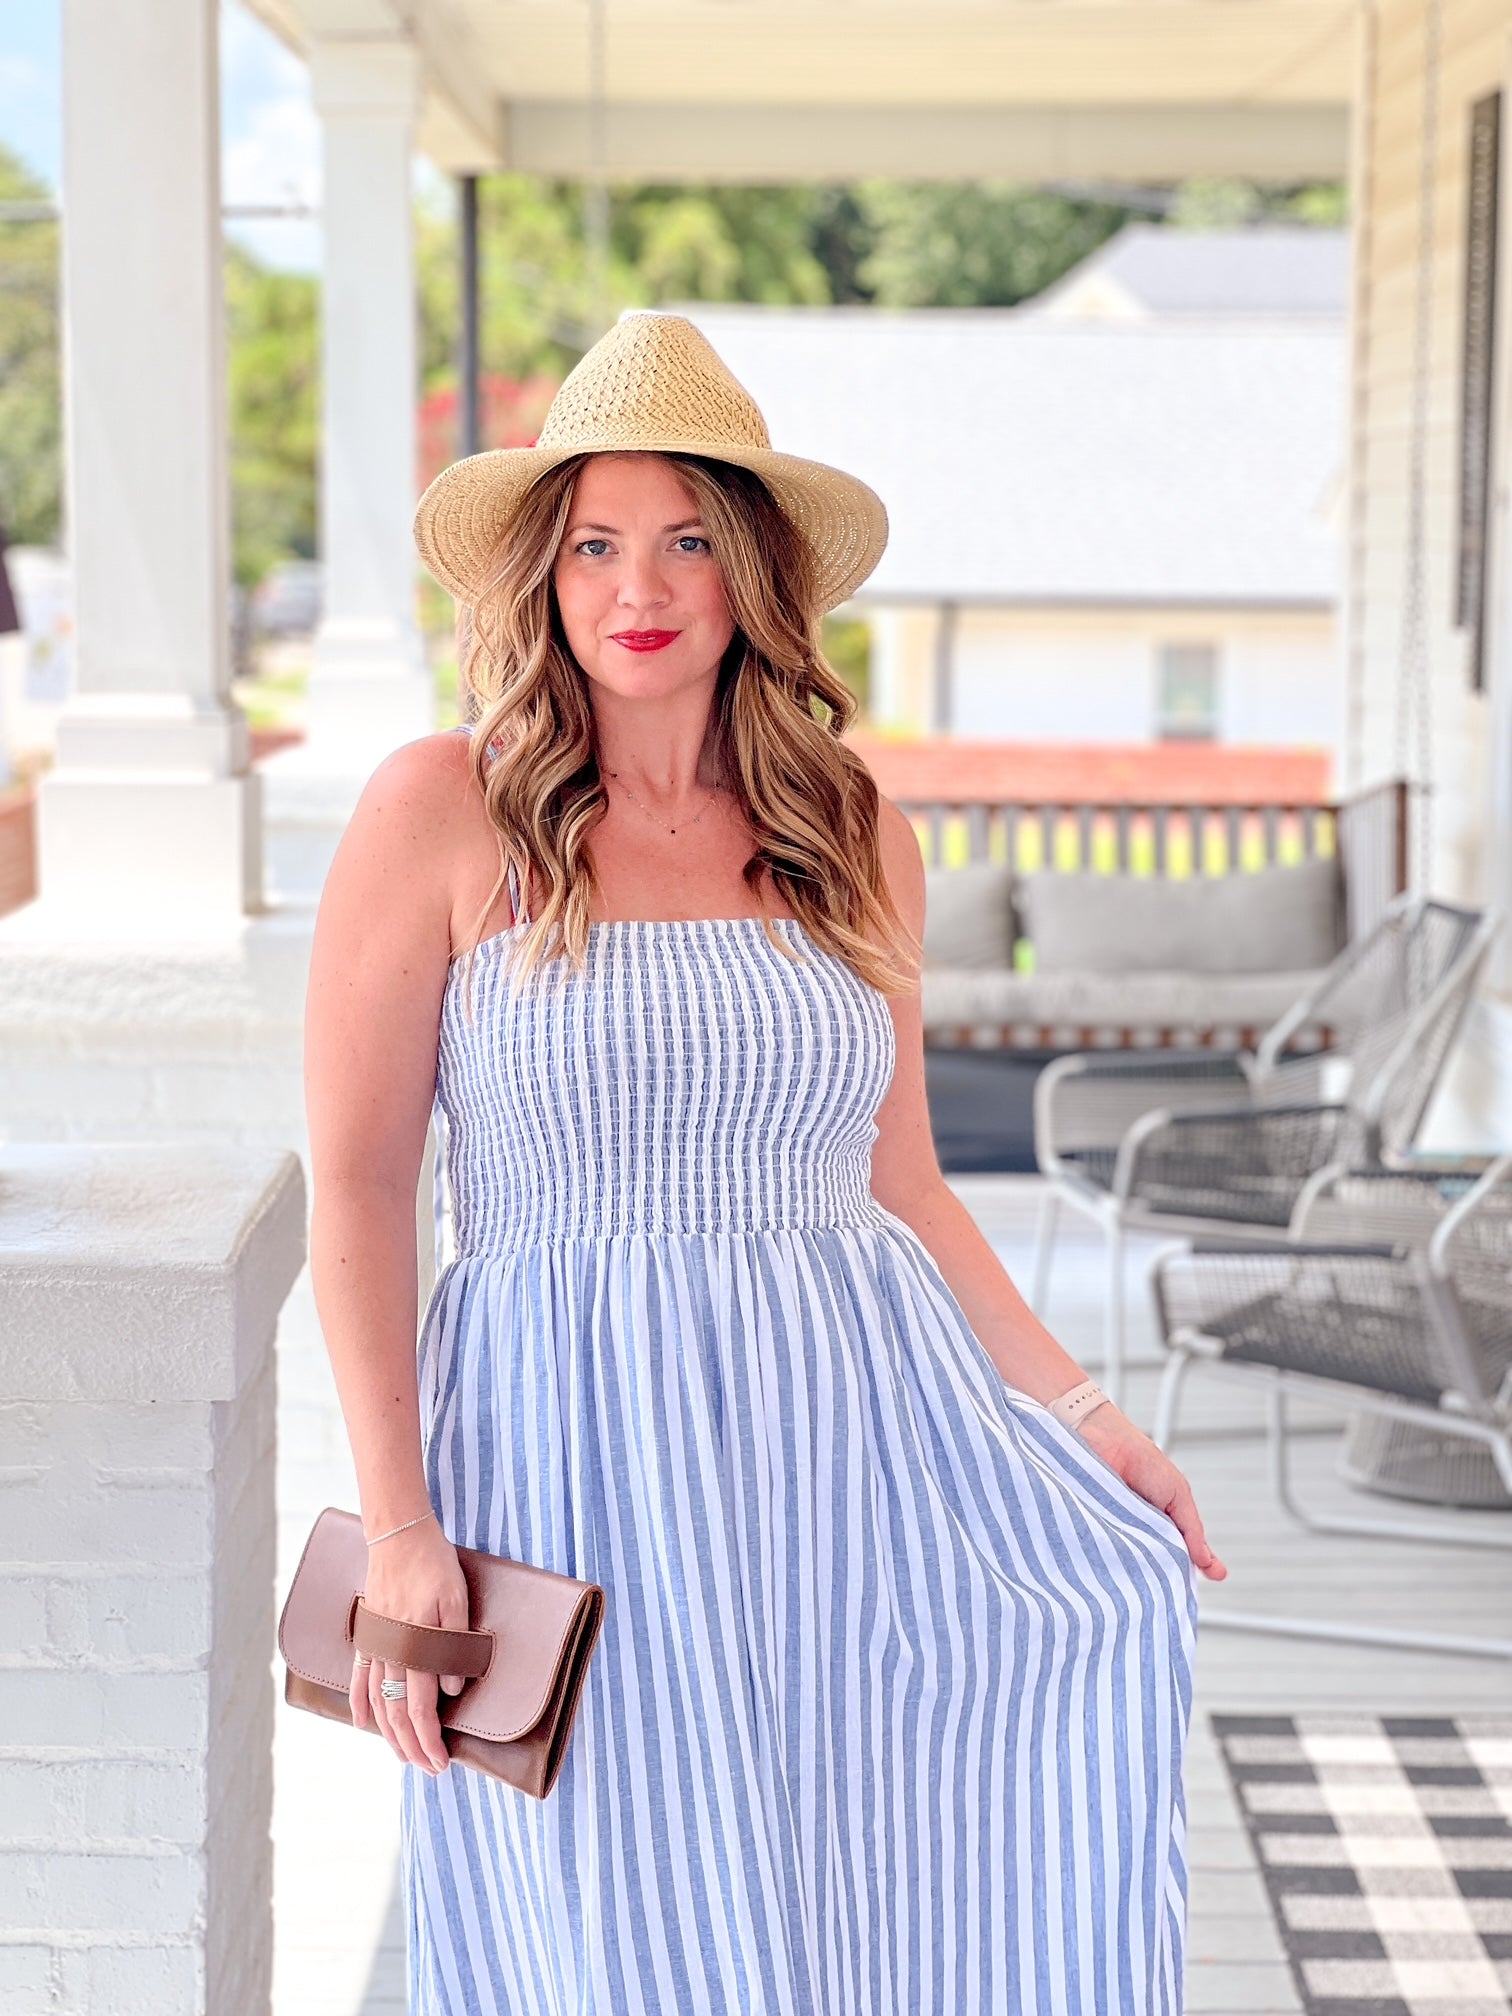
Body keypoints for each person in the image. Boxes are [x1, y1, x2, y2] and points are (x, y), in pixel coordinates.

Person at [304, 310, 1223, 2016]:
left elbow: (906, 1182)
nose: (634, 585)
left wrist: (1093, 1423)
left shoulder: (851, 826)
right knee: (605, 1923)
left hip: (844, 1441)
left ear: (753, 573)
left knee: (848, 1889)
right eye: (591, 540)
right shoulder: (441, 809)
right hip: (563, 1442)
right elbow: (358, 1183)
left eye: (686, 538)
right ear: (543, 570)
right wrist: (404, 1525)